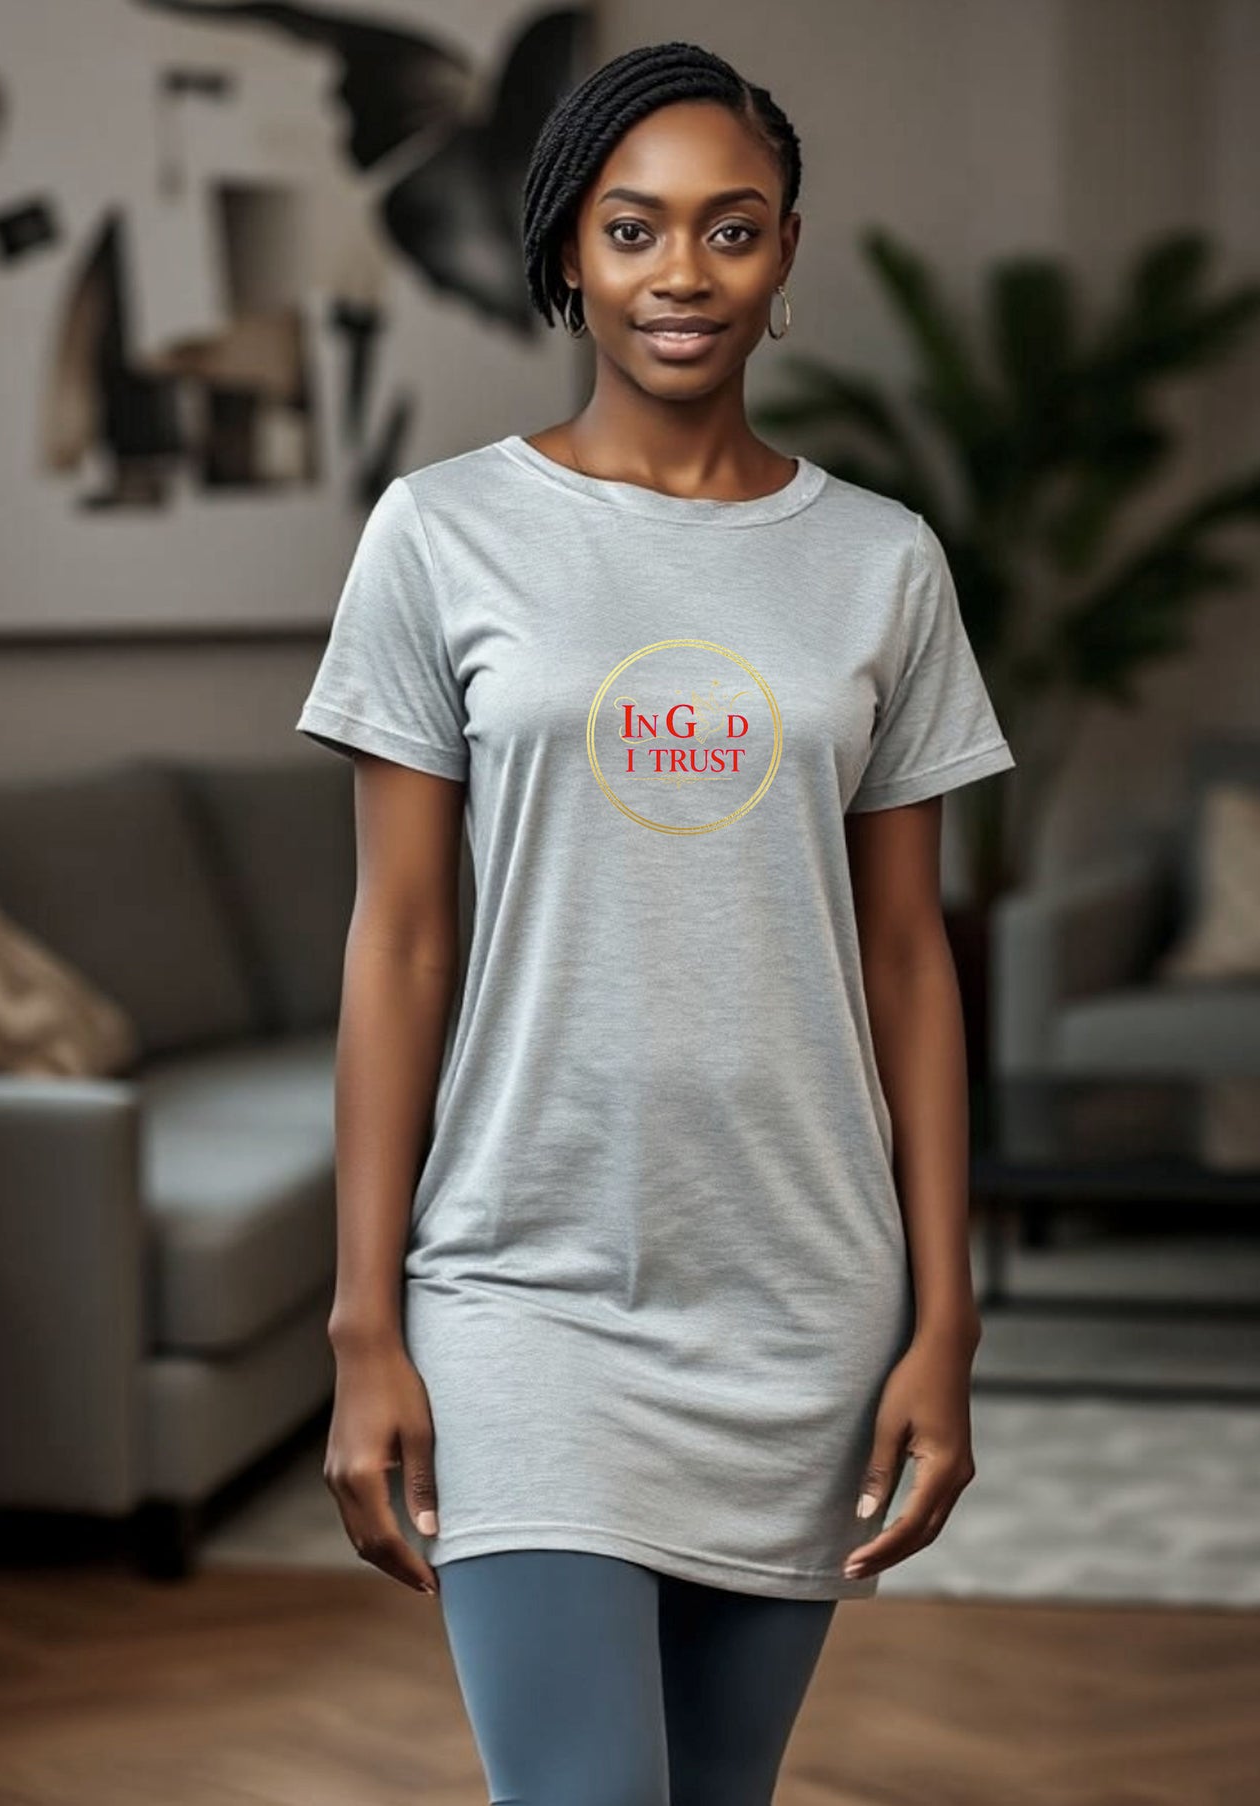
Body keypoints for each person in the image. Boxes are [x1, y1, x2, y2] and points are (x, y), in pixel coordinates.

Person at [295, 37, 1015, 1806]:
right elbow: (396, 943)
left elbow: (908, 956)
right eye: (632, 230)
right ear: (564, 257)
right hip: (518, 1281)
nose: (680, 273)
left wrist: (946, 1314)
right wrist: (362, 1321)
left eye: (729, 228)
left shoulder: (881, 563)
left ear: (781, 262)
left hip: (799, 1295)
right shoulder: (440, 534)